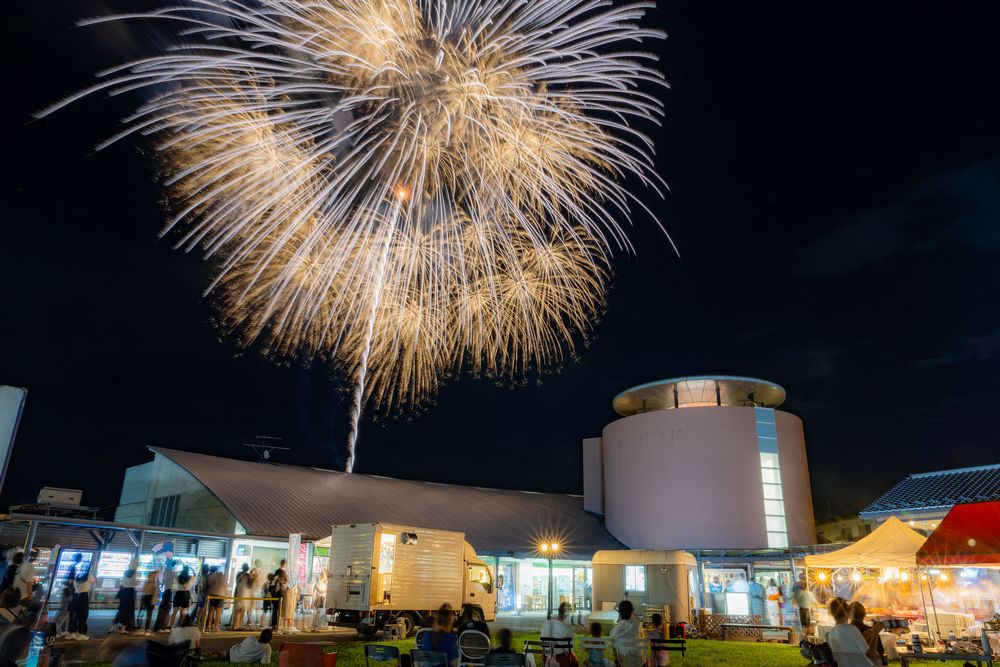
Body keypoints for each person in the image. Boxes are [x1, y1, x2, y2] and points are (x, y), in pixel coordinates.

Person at [827, 598, 879, 667]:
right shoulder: (851, 629)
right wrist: (875, 633)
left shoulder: (831, 633)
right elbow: (871, 655)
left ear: (832, 614)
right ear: (847, 612)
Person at [848, 602, 886, 666]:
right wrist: (875, 633)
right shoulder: (871, 632)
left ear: (848, 615)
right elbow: (879, 655)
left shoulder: (844, 632)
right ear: (864, 615)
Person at [610, 600, 644, 667]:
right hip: (639, 661)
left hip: (624, 662)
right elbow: (637, 619)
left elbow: (614, 652)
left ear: (619, 612)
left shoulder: (614, 630)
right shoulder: (637, 624)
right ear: (632, 611)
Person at [67, 559, 95, 640]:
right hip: (83, 596)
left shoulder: (77, 576)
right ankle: (80, 634)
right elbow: (94, 581)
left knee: (74, 615)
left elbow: (71, 583)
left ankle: (72, 632)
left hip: (76, 596)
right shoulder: (89, 576)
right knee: (83, 615)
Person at [114, 559, 139, 634]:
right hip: (130, 593)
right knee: (128, 611)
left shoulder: (125, 572)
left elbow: (123, 582)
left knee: (121, 609)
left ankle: (115, 626)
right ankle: (123, 628)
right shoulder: (135, 573)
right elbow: (135, 583)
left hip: (124, 592)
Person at [154, 560, 176, 632]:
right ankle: (163, 626)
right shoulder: (174, 573)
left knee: (162, 608)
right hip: (170, 592)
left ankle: (159, 625)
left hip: (165, 591)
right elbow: (175, 583)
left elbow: (163, 582)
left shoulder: (165, 572)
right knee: (168, 609)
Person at [139, 567, 160, 636]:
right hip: (150, 599)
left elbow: (143, 591)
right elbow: (156, 593)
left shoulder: (146, 582)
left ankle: (140, 628)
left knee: (141, 613)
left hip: (145, 598)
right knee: (149, 615)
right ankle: (147, 629)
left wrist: (141, 600)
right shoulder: (154, 583)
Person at [207, 566, 227, 632]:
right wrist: (226, 593)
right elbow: (224, 585)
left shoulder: (211, 576)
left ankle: (209, 625)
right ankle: (215, 626)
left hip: (212, 594)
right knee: (218, 612)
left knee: (211, 611)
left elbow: (209, 585)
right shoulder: (223, 576)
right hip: (221, 594)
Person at [233, 563, 253, 630]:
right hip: (244, 595)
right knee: (241, 610)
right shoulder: (247, 576)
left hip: (238, 593)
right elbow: (250, 585)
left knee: (238, 610)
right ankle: (238, 625)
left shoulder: (238, 574)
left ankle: (236, 625)